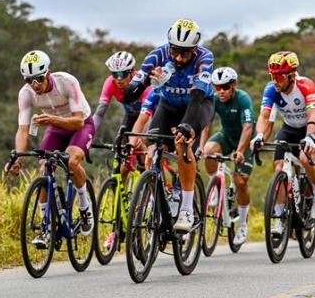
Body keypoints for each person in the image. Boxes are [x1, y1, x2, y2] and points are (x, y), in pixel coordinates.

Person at [122, 18, 215, 233]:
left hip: (198, 104)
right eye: (175, 51)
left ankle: (186, 209)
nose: (180, 58)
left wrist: (187, 126)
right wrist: (147, 81)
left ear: (195, 48)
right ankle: (160, 197)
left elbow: (198, 95)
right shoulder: (157, 56)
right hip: (168, 105)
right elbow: (128, 96)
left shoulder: (204, 57)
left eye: (185, 53)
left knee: (183, 143)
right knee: (152, 152)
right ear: (169, 46)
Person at [6, 50, 96, 244]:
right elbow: (23, 130)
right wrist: (17, 159)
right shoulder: (26, 94)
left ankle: (84, 206)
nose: (35, 85)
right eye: (29, 80)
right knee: (44, 169)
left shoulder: (67, 82)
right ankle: (45, 227)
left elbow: (79, 122)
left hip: (80, 125)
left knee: (72, 162)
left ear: (48, 73)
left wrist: (53, 119)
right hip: (55, 128)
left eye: (39, 78)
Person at [250, 51, 315, 235]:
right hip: (289, 128)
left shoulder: (305, 86)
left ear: (291, 75)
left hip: (311, 127)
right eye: (272, 76)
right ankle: (278, 218)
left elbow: (312, 115)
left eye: (279, 76)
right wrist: (259, 135)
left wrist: (309, 137)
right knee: (278, 167)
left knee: (306, 159)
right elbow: (264, 116)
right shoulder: (271, 89)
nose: (274, 80)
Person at [199, 67, 255, 246]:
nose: (221, 91)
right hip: (226, 136)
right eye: (217, 87)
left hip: (244, 141)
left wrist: (239, 151)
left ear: (233, 85)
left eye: (225, 87)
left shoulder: (243, 98)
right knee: (208, 151)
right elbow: (207, 125)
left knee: (240, 182)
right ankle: (215, 187)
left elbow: (248, 127)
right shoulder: (214, 99)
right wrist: (200, 147)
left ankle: (243, 224)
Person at [93, 50, 151, 183]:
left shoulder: (141, 85)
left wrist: (142, 139)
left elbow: (147, 116)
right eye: (115, 74)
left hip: (148, 116)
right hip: (130, 116)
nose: (119, 78)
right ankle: (120, 200)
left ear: (132, 72)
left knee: (140, 144)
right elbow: (100, 112)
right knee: (122, 165)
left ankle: (147, 185)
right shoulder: (110, 83)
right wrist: (89, 135)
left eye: (123, 73)